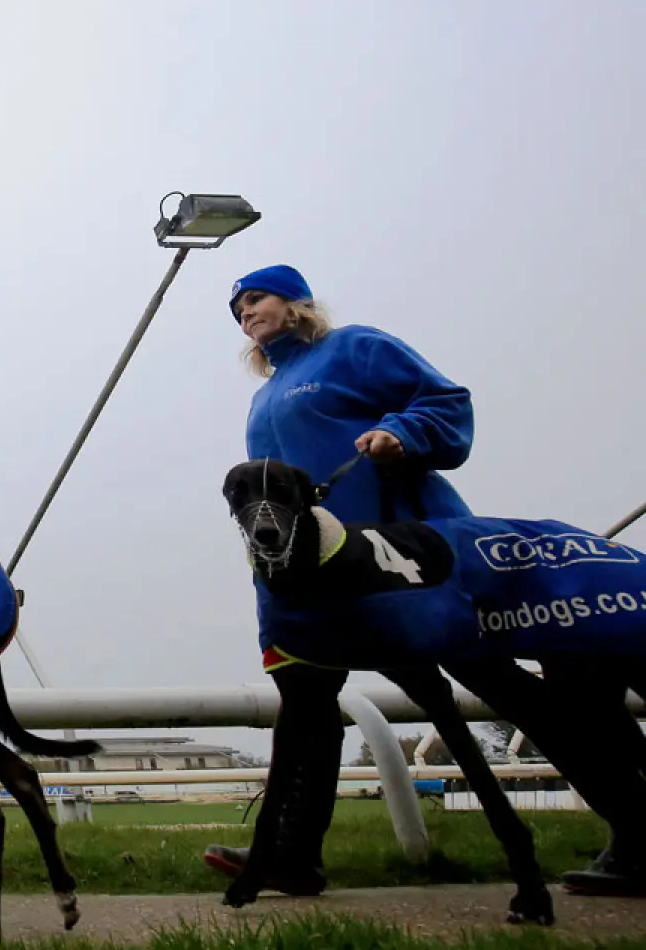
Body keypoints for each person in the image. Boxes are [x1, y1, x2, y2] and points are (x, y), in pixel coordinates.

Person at [205, 264, 646, 897]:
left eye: (256, 298)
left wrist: (400, 433)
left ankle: (636, 826)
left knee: (507, 690)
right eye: (238, 309)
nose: (246, 313)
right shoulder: (265, 395)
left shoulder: (355, 348)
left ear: (297, 301)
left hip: (410, 561)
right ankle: (290, 857)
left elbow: (444, 401)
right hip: (316, 578)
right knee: (306, 704)